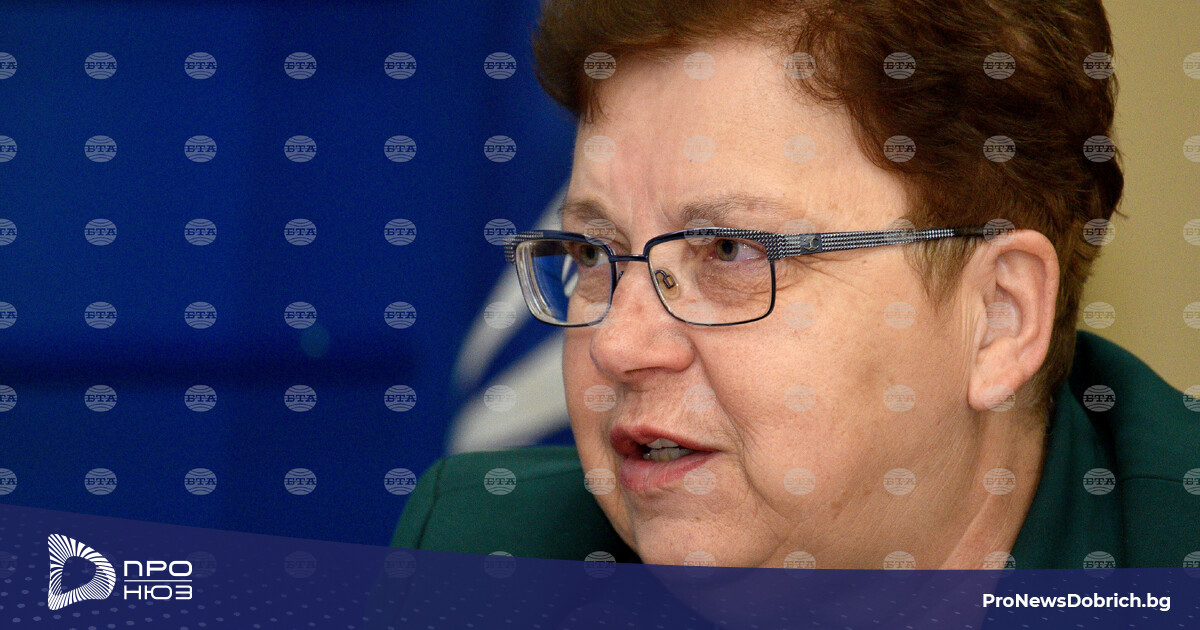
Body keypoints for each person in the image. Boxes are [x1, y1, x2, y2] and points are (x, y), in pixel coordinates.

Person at [392, 0, 1200, 569]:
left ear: (997, 317)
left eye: (730, 251)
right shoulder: (489, 553)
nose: (617, 344)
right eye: (596, 254)